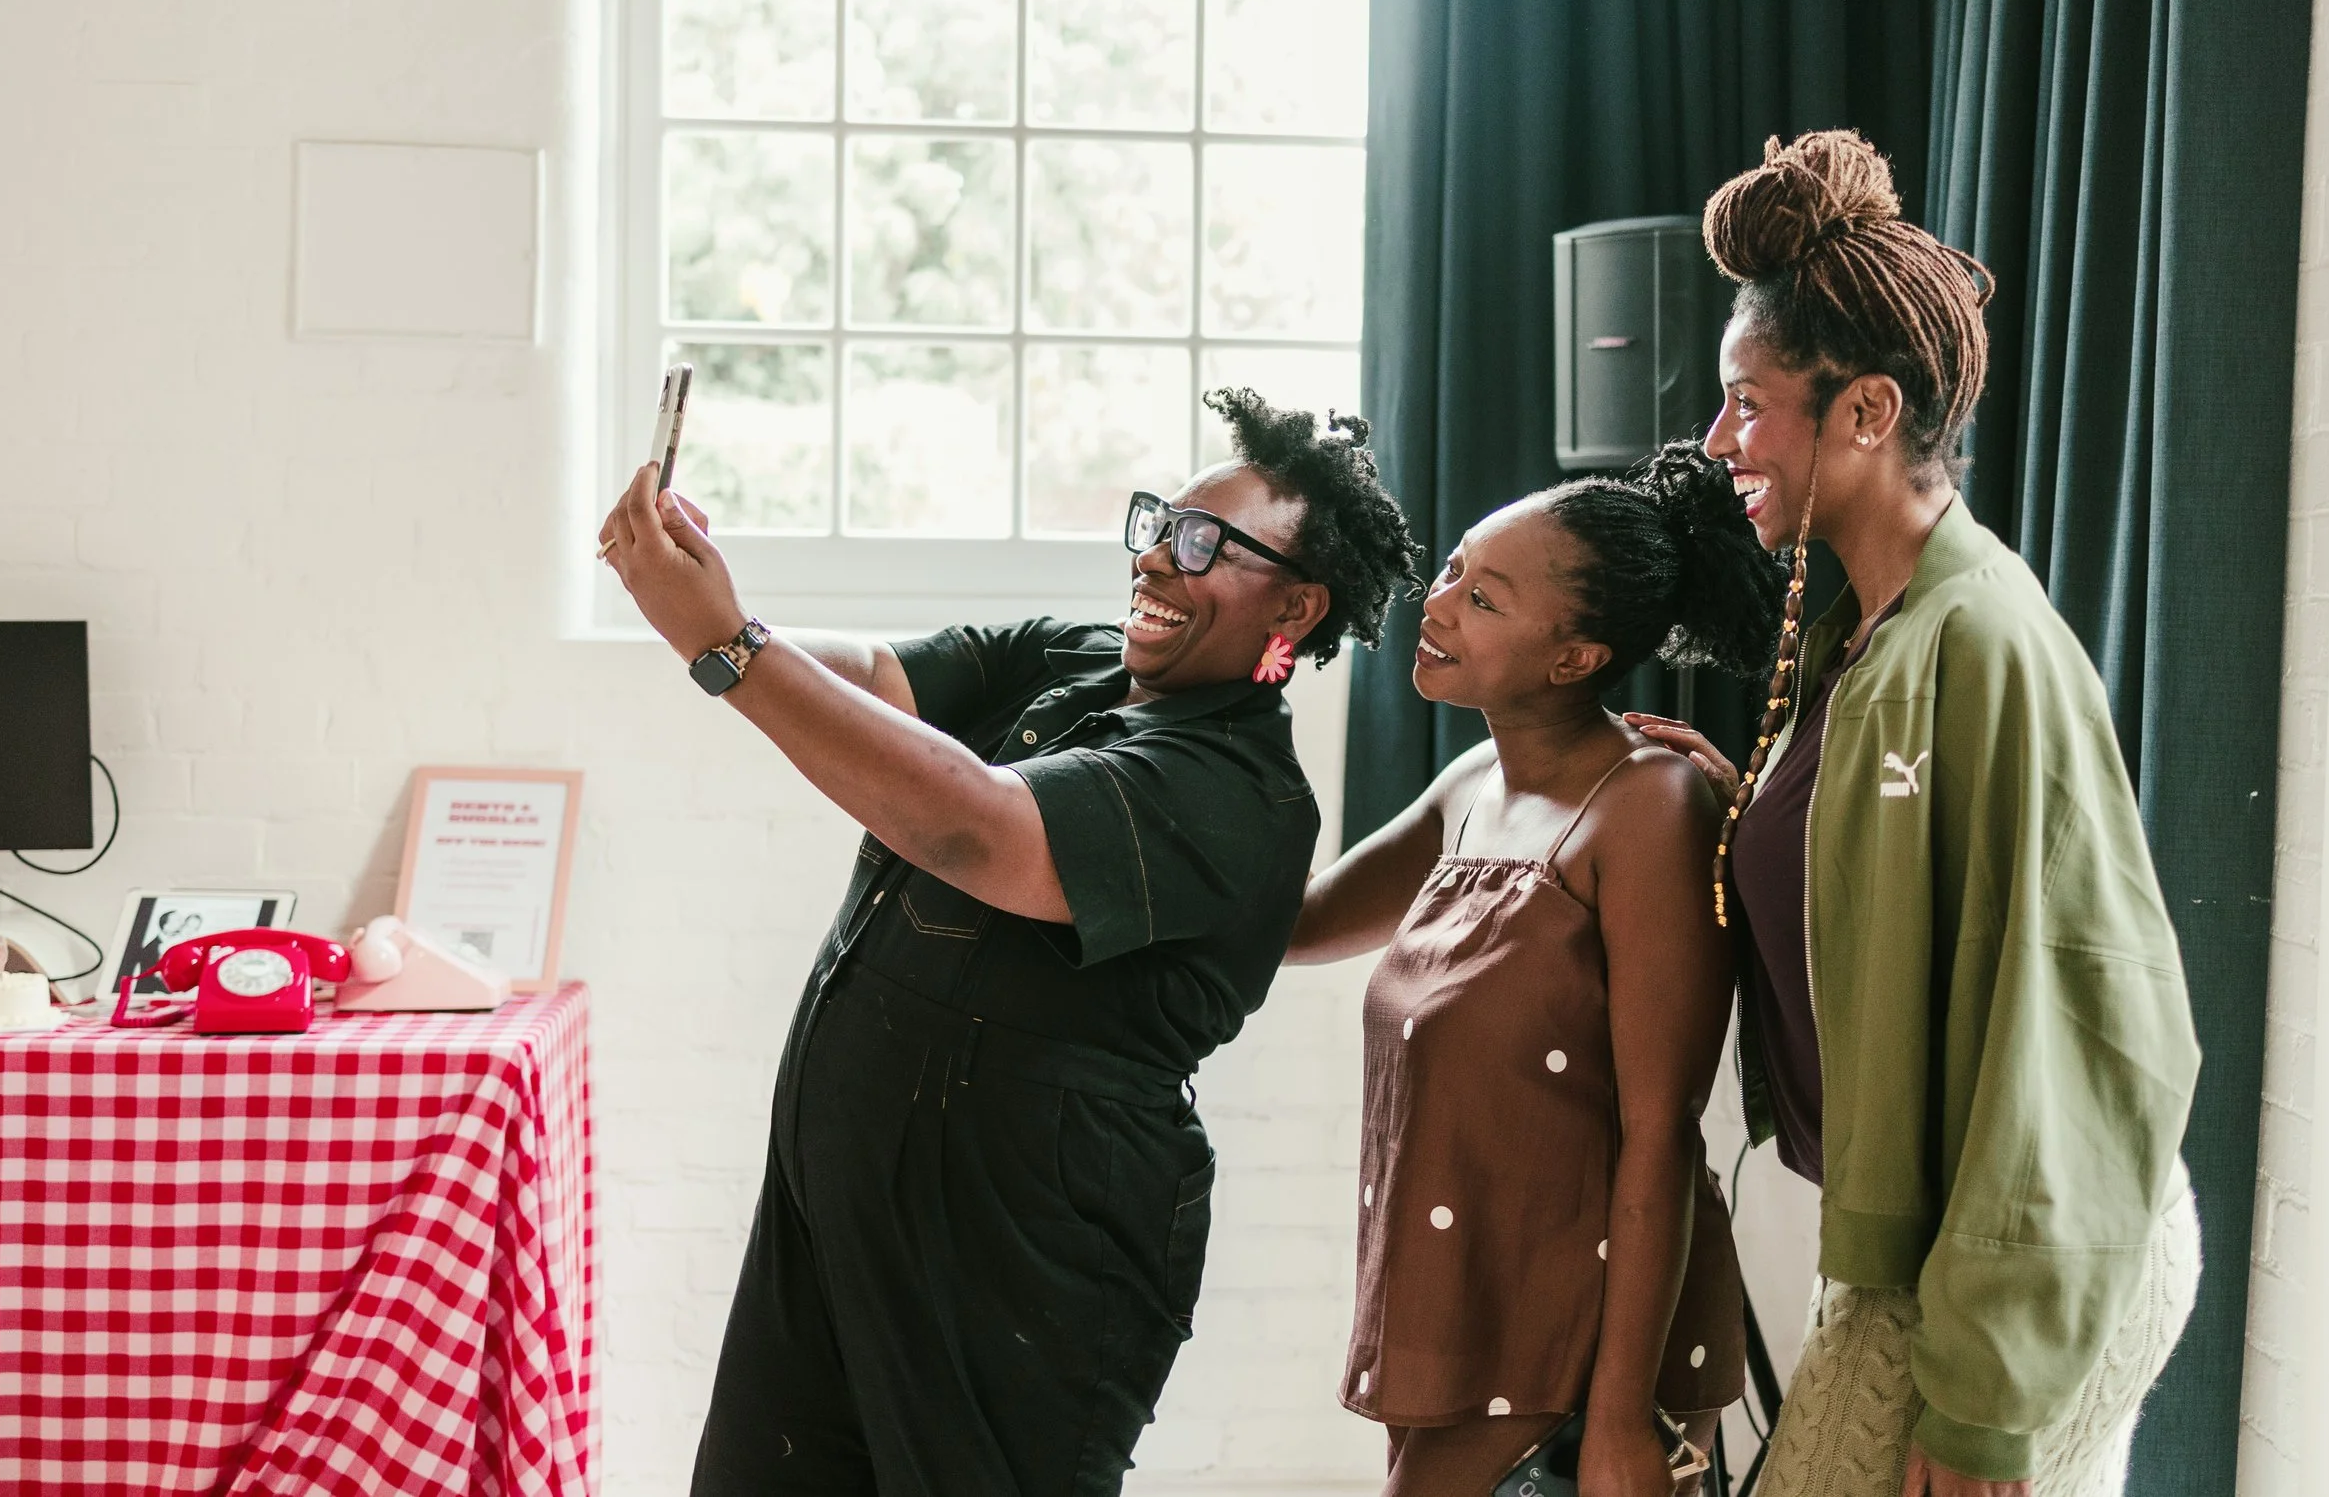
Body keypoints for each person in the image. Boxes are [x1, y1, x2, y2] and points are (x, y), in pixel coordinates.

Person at [598, 388, 1424, 1497]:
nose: (1155, 560)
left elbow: (974, 828)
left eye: (1200, 543)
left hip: (1018, 1255)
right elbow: (875, 679)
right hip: (836, 1214)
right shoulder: (1065, 660)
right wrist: (717, 604)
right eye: (1155, 524)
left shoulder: (1239, 793)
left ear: (1298, 605)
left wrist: (725, 644)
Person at [1633, 131, 2202, 1497]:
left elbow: (2072, 1012)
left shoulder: (1983, 639)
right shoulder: (1866, 635)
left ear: (1868, 412)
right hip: (1927, 1256)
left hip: (2016, 1276)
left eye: (1748, 403)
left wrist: (1990, 1388)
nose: (1720, 442)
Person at [1288, 443, 1786, 1497]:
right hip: (1460, 1314)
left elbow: (1662, 1133)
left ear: (1574, 657)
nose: (1443, 599)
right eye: (1458, 567)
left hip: (1584, 1343)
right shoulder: (1472, 783)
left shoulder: (1648, 806)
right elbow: (1293, 926)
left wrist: (1616, 1426)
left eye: (1487, 596)